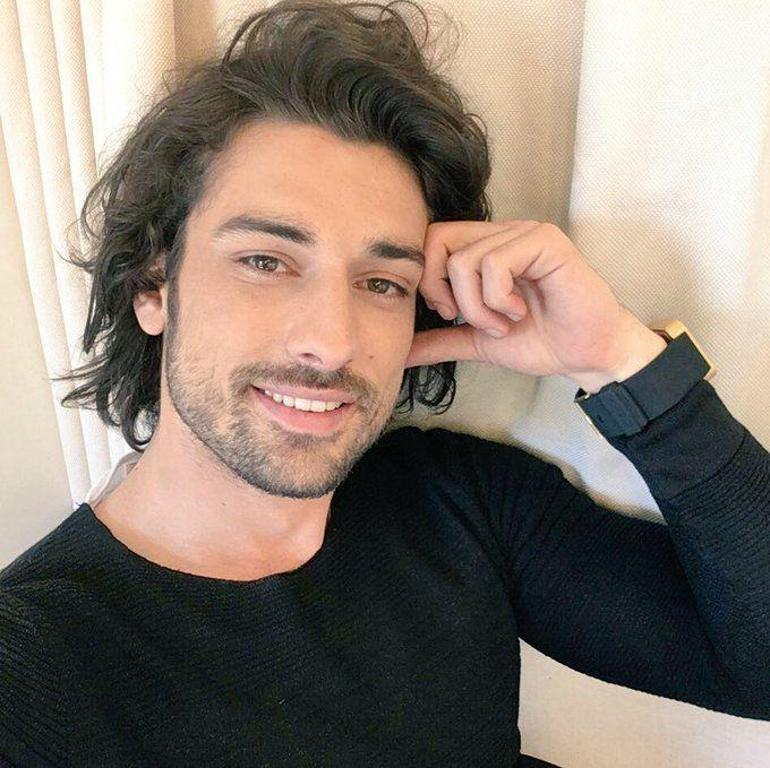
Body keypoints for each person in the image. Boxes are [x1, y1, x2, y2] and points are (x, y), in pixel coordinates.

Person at [1, 1, 768, 766]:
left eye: (381, 282)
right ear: (153, 286)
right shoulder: (34, 666)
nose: (332, 341)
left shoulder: (458, 505)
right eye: (267, 261)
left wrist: (617, 358)